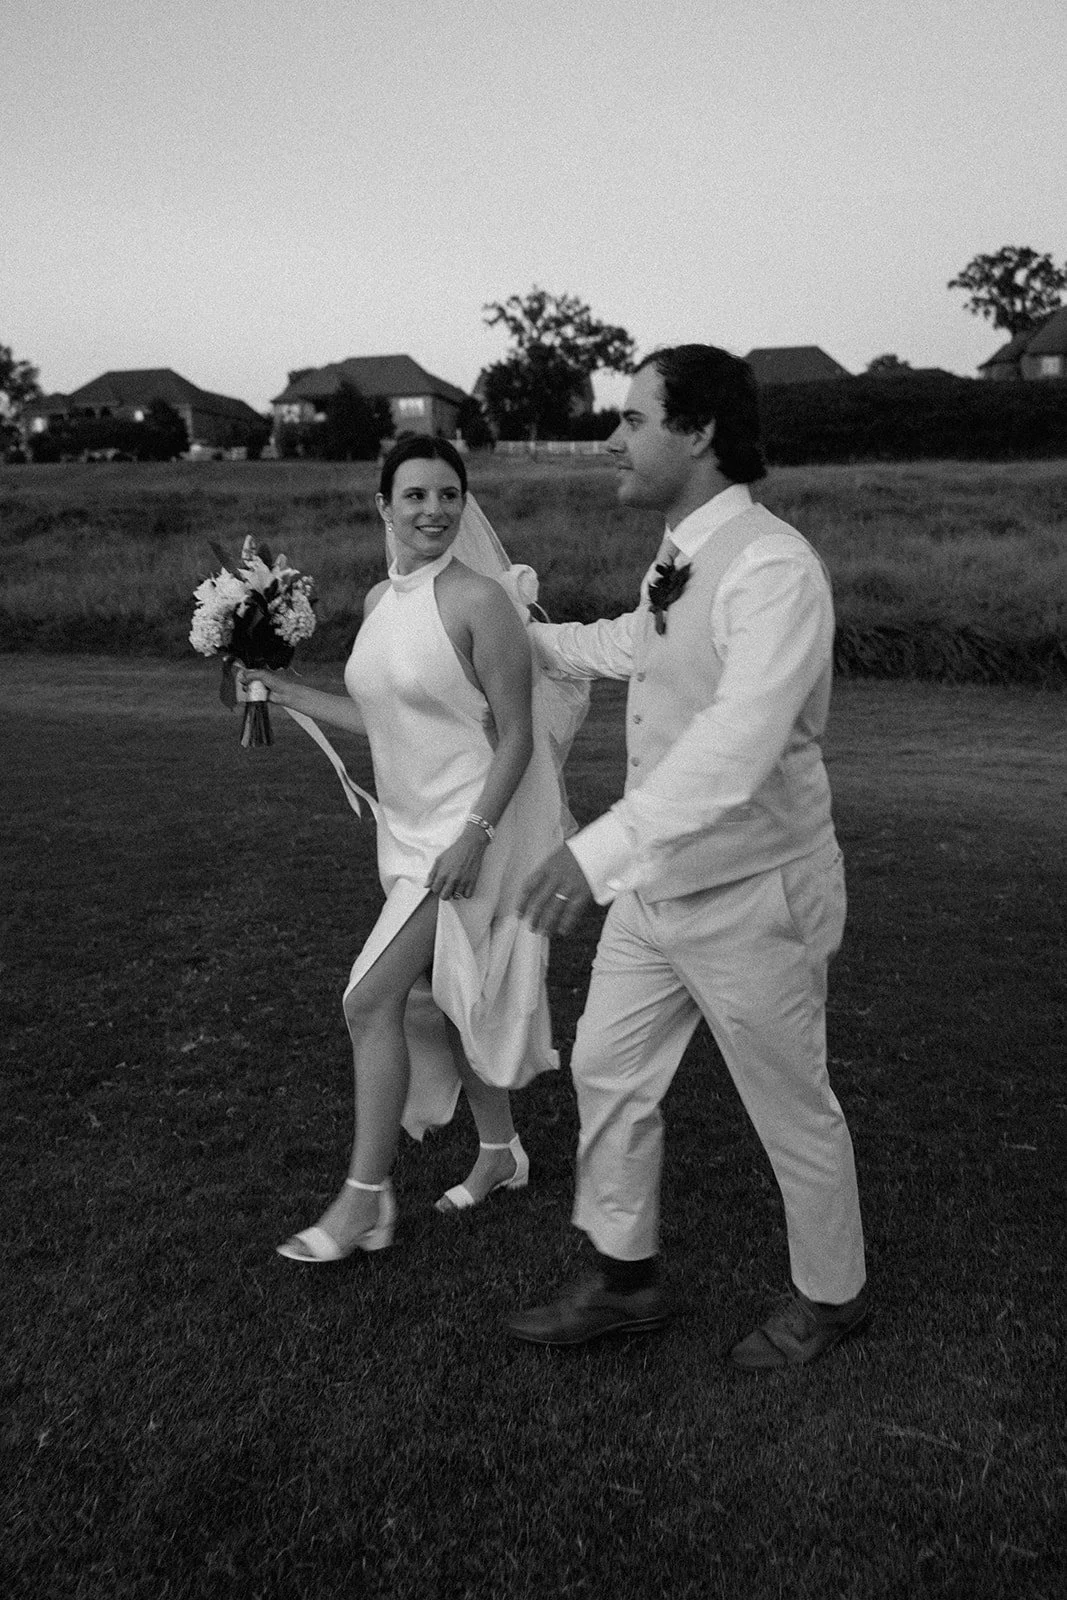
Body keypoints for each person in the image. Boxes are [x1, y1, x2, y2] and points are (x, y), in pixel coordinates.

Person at [507, 345, 868, 1367]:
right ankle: (626, 1280)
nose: (610, 439)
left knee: (789, 1105)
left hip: (754, 894)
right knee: (605, 1064)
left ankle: (832, 1297)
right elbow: (643, 642)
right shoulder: (681, 552)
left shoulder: (773, 567)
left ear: (699, 430)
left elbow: (735, 744)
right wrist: (528, 638)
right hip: (657, 891)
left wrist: (593, 850)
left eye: (631, 417)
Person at [239, 435, 578, 1260]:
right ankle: (499, 1154)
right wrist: (281, 689)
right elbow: (387, 720)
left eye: (448, 495)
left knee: (368, 999)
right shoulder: (376, 602)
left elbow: (518, 739)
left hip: (467, 837)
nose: (434, 510)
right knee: (438, 999)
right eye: (416, 495)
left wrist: (475, 836)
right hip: (407, 833)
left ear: (464, 505)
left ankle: (363, 1204)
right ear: (382, 506)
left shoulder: (479, 601)